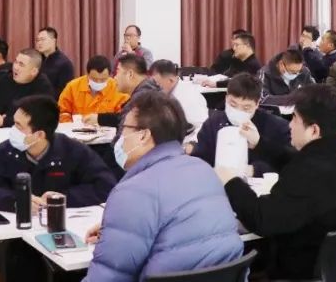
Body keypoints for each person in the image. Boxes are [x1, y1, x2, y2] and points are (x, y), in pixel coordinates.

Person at [218, 84, 336, 280]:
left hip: (305, 272)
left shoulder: (308, 172)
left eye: (295, 119)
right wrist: (260, 143)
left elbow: (261, 218)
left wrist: (231, 181)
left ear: (314, 130)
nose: (290, 125)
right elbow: (299, 161)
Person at [84, 92, 243, 281]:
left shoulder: (133, 191)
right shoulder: (205, 170)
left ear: (143, 135)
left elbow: (107, 277)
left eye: (124, 128)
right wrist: (117, 230)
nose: (121, 137)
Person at [0, 95, 116, 210]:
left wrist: (61, 199)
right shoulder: (4, 151)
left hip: (62, 220)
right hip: (16, 223)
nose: (13, 130)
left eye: (19, 126)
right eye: (14, 123)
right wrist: (16, 201)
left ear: (39, 135)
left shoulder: (74, 151)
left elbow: (106, 186)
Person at [188, 72, 291, 176]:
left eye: (246, 108)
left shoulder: (276, 127)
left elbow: (289, 163)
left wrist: (255, 170)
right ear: (226, 98)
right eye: (233, 104)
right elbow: (200, 158)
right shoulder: (213, 123)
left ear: (257, 104)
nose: (238, 111)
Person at [0, 48, 54, 128]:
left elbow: (39, 117)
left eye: (21, 64)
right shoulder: (4, 78)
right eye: (16, 62)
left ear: (33, 71)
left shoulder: (43, 87)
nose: (15, 67)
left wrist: (4, 122)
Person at [149, 59, 208, 142]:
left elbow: (202, 127)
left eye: (157, 83)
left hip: (188, 143)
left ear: (171, 80)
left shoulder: (189, 96)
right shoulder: (167, 93)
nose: (154, 87)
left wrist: (191, 144)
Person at [57, 55, 129, 124]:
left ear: (109, 76)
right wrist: (70, 125)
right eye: (94, 79)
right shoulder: (72, 87)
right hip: (76, 130)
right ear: (87, 74)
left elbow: (123, 117)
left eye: (103, 80)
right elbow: (62, 111)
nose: (98, 82)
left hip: (107, 130)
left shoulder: (118, 89)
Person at [99, 53, 160, 127]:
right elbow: (121, 118)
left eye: (117, 72)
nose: (115, 77)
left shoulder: (143, 98)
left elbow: (124, 127)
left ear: (130, 74)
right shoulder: (149, 91)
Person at [35, 26, 75, 99]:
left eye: (42, 39)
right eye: (37, 40)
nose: (39, 43)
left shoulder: (64, 63)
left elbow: (65, 92)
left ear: (53, 41)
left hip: (52, 103)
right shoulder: (36, 59)